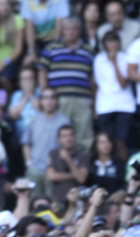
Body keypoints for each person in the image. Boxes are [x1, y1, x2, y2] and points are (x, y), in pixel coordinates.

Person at [41, 16, 96, 151]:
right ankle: (57, 166)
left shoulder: (88, 50)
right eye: (67, 29)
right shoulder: (52, 48)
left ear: (79, 31)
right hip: (59, 99)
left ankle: (82, 167)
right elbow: (42, 71)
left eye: (74, 29)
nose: (71, 32)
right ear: (62, 30)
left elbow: (92, 77)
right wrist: (45, 94)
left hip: (82, 100)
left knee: (84, 135)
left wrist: (94, 101)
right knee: (59, 134)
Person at [93, 28, 136, 153]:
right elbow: (97, 84)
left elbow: (123, 83)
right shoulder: (98, 59)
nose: (112, 45)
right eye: (109, 42)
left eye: (115, 41)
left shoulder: (126, 58)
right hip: (105, 105)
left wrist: (114, 62)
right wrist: (95, 107)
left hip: (124, 105)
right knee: (106, 141)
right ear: (105, 44)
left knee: (120, 141)